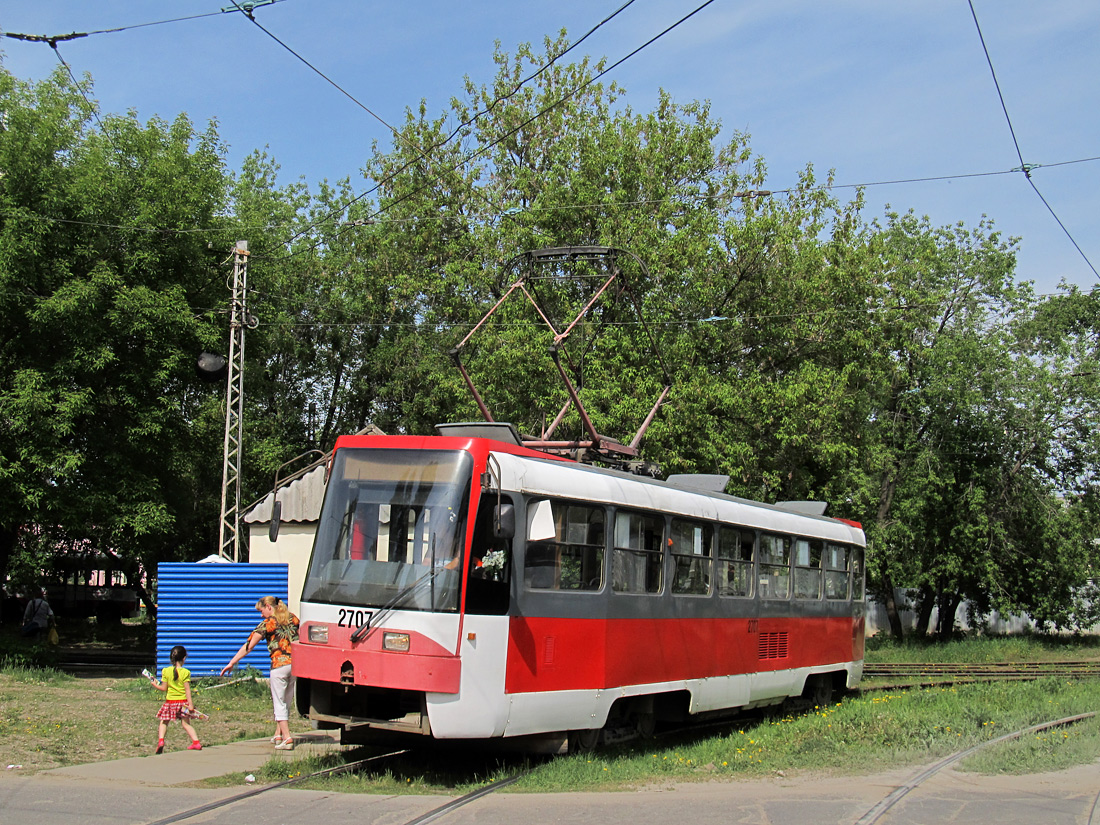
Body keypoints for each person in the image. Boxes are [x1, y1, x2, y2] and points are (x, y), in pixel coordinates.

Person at [221, 596, 300, 750]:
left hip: (279, 665)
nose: (261, 614)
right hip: (296, 665)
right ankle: (279, 735)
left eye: (261, 610)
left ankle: (288, 739)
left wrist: (232, 662)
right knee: (286, 701)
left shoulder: (268, 623)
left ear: (269, 607)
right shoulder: (293, 619)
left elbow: (249, 645)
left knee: (279, 703)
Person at [151, 644, 202, 754]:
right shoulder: (185, 672)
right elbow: (187, 690)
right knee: (186, 724)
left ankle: (161, 741)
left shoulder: (165, 671)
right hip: (183, 703)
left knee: (164, 722)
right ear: (184, 658)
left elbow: (164, 688)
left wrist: (155, 684)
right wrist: (191, 705)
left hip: (170, 702)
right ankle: (196, 742)